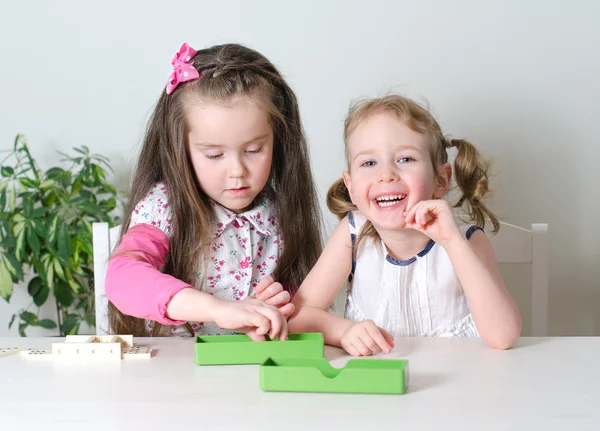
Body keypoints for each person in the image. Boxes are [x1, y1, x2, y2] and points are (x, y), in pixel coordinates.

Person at [105, 42, 322, 340]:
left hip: (251, 372)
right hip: (173, 372)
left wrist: (279, 311)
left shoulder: (281, 212)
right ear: (182, 149)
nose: (237, 170)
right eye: (214, 155)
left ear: (278, 141)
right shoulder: (165, 206)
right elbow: (122, 278)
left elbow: (301, 314)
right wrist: (217, 309)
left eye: (253, 149)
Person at [289, 94, 521, 355]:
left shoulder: (466, 240)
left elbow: (503, 336)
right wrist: (343, 332)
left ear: (441, 179)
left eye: (406, 159)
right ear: (351, 186)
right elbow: (296, 317)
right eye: (369, 163)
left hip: (459, 382)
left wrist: (452, 241)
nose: (386, 175)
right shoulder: (354, 234)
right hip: (378, 381)